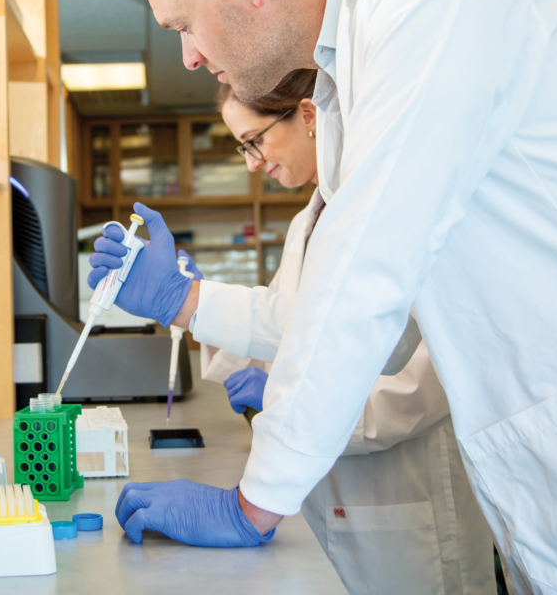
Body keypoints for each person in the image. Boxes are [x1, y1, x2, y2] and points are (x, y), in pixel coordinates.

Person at [93, 0, 557, 595]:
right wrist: (185, 302)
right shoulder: (348, 86)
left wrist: (254, 504)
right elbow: (310, 310)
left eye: (184, 25)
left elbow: (364, 271)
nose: (189, 56)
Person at [189, 70, 493, 593]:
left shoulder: (396, 202)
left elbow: (428, 387)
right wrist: (192, 302)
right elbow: (289, 326)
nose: (254, 163)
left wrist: (300, 406)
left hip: (412, 487)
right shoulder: (308, 222)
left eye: (254, 142)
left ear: (307, 115)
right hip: (335, 495)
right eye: (243, 149)